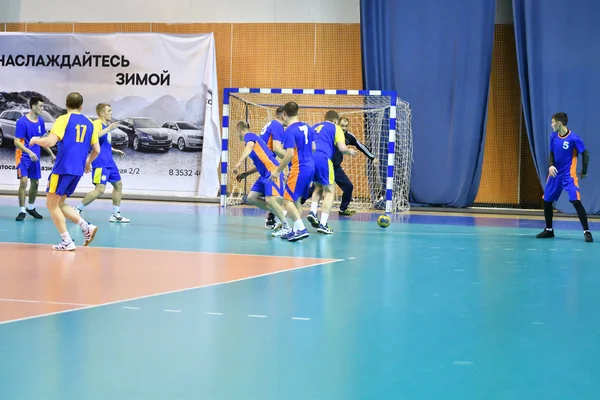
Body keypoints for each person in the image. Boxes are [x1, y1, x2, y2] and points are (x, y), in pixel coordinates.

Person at [29, 92, 101, 251]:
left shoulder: (63, 119)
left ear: (66, 105)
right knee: (60, 203)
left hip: (62, 168)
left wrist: (35, 140)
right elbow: (97, 149)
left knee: (51, 204)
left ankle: (67, 241)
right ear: (81, 106)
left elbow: (50, 141)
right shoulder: (90, 123)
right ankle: (85, 227)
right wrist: (88, 163)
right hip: (77, 170)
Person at [303, 116, 379, 215]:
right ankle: (297, 203)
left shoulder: (349, 136)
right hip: (326, 166)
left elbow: (360, 146)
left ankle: (343, 209)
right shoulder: (332, 133)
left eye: (346, 126)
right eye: (342, 125)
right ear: (337, 124)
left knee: (348, 187)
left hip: (336, 168)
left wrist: (372, 158)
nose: (344, 128)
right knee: (314, 189)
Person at [536, 112, 593, 242]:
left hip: (569, 175)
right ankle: (549, 230)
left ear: (559, 123)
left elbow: (585, 154)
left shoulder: (574, 138)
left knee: (575, 201)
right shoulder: (553, 137)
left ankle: (587, 232)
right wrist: (550, 165)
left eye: (553, 122)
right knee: (547, 200)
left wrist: (584, 171)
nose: (551, 125)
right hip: (555, 174)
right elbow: (551, 153)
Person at [232, 121, 290, 235]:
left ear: (239, 129)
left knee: (270, 200)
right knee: (251, 197)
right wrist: (247, 173)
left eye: (236, 132)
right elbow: (261, 163)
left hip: (272, 171)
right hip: (264, 173)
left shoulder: (250, 137)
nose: (237, 134)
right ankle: (280, 213)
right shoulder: (254, 142)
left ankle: (286, 226)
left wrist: (239, 162)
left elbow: (250, 145)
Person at [75, 103, 130, 223]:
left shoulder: (106, 126)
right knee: (100, 189)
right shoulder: (96, 124)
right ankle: (77, 210)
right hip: (100, 162)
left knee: (118, 185)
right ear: (101, 113)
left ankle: (115, 214)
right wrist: (109, 129)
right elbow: (92, 139)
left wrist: (115, 151)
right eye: (109, 111)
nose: (111, 113)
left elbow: (104, 145)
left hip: (110, 161)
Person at [270, 101, 314, 242]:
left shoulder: (290, 130)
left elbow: (289, 154)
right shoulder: (307, 127)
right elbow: (313, 146)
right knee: (296, 201)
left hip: (299, 168)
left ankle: (301, 228)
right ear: (297, 112)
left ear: (284, 114)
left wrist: (277, 171)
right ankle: (295, 230)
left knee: (286, 200)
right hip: (310, 166)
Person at [306, 111, 356, 234]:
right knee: (329, 191)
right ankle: (323, 224)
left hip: (311, 159)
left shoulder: (314, 126)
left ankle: (313, 211)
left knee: (318, 187)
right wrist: (349, 151)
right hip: (324, 160)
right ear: (335, 121)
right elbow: (342, 148)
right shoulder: (336, 128)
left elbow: (310, 146)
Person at [14, 96, 56, 221]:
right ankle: (22, 210)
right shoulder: (22, 121)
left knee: (36, 183)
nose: (42, 109)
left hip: (35, 157)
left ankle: (31, 208)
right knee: (23, 182)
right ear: (33, 107)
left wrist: (51, 154)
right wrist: (29, 152)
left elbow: (43, 140)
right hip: (23, 155)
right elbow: (17, 142)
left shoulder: (41, 121)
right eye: (40, 106)